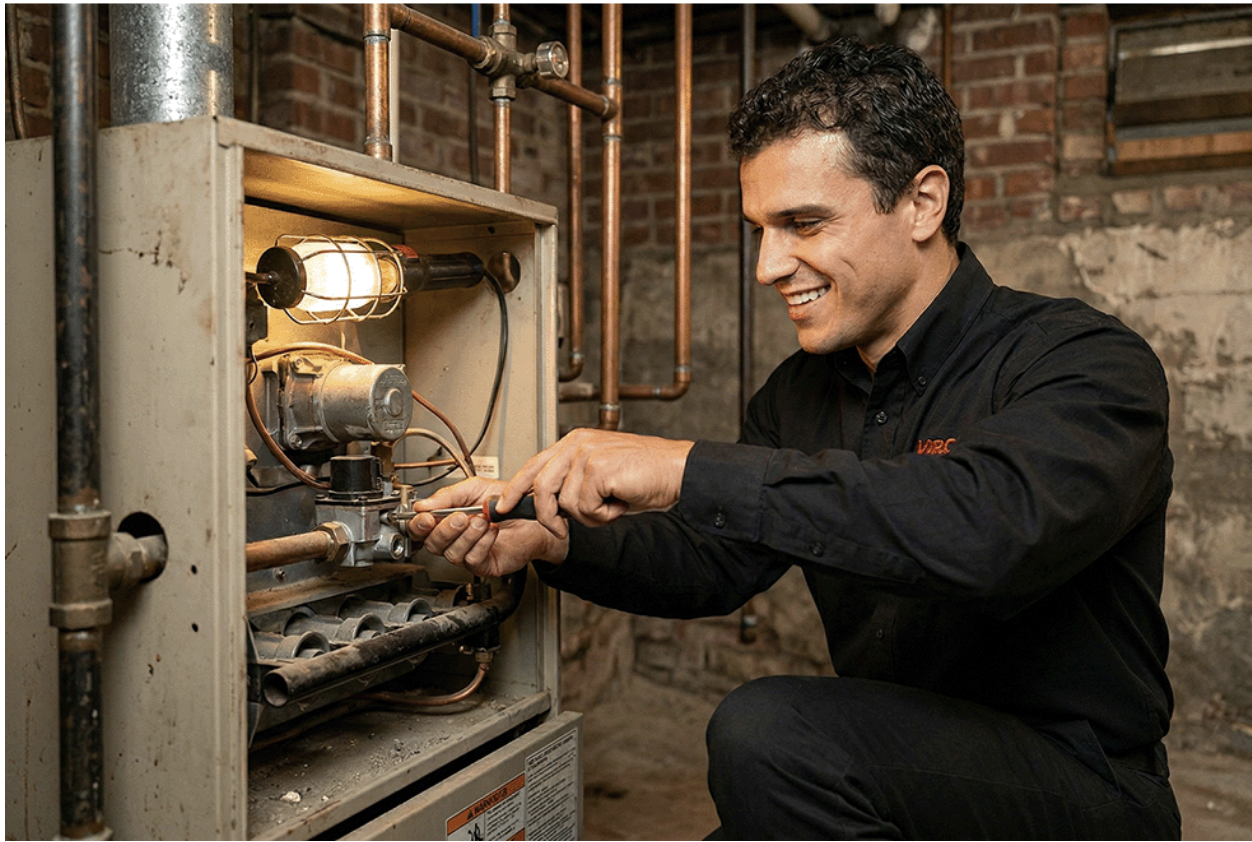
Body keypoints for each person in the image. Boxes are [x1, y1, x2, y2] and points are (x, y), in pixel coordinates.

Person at [409, 37, 1180, 839]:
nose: (770, 266)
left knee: (771, 734)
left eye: (803, 223)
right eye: (759, 231)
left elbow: (987, 528)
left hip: (1080, 786)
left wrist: (684, 467)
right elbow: (712, 562)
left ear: (922, 203)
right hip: (888, 764)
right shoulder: (800, 393)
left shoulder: (1082, 360)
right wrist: (552, 542)